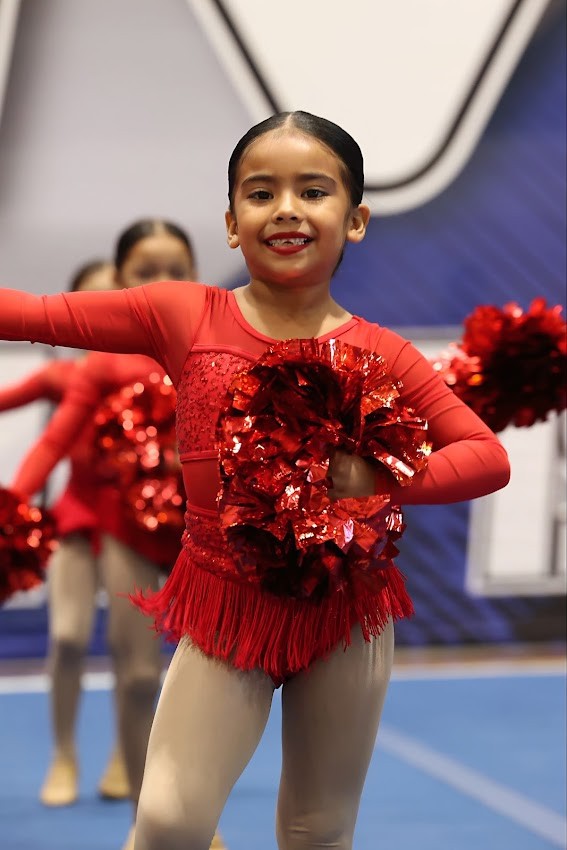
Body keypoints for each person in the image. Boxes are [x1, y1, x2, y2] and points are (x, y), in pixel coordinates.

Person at [0, 111, 511, 850]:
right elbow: (34, 314)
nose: (286, 210)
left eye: (314, 191)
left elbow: (486, 457)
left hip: (344, 613)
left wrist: (371, 474)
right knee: (168, 821)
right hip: (222, 605)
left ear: (356, 219)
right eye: (261, 192)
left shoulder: (382, 352)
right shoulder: (183, 312)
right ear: (231, 223)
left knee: (317, 830)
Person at [0, 258, 131, 806]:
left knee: (131, 648)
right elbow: (23, 416)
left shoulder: (147, 372)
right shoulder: (63, 377)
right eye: (90, 302)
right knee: (68, 638)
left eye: (112, 301)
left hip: (133, 525)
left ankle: (126, 753)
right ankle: (64, 754)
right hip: (76, 519)